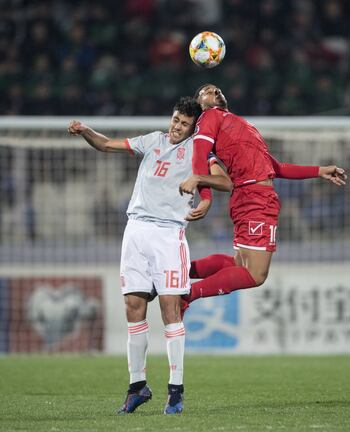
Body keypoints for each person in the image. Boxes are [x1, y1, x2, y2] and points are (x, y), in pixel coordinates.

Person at [68, 96, 232, 415]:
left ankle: (175, 391)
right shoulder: (152, 140)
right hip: (136, 230)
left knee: (171, 309)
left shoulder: (199, 151)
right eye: (175, 120)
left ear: (193, 127)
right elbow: (106, 145)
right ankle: (137, 387)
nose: (176, 127)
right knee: (133, 306)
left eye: (184, 124)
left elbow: (225, 181)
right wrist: (86, 130)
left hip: (169, 235)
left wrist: (199, 179)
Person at [179, 84, 347, 308]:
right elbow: (199, 157)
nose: (216, 91)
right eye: (207, 91)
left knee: (240, 264)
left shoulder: (238, 123)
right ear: (200, 104)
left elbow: (276, 167)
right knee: (256, 274)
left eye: (218, 89)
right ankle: (185, 295)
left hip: (255, 196)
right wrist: (206, 198)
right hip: (254, 198)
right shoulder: (209, 117)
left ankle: (179, 270)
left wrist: (319, 171)